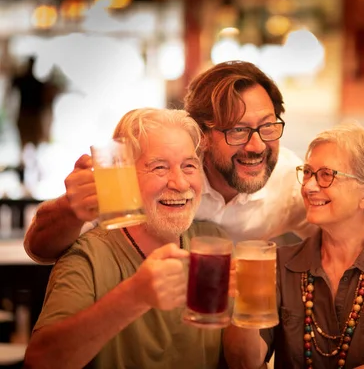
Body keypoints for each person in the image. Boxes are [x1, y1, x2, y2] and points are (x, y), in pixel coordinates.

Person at [24, 61, 364, 281]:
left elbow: (345, 234)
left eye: (267, 126)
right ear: (201, 136)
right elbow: (39, 248)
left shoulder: (293, 182)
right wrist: (70, 209)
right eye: (238, 131)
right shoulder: (158, 173)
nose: (257, 145)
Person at [23, 108, 229, 369]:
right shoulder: (90, 256)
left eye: (189, 166)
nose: (180, 183)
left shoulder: (213, 242)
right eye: (159, 167)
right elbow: (38, 362)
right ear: (124, 176)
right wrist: (135, 296)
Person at [224, 123, 364, 369]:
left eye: (327, 175)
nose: (308, 186)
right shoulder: (279, 264)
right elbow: (245, 362)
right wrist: (243, 306)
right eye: (307, 172)